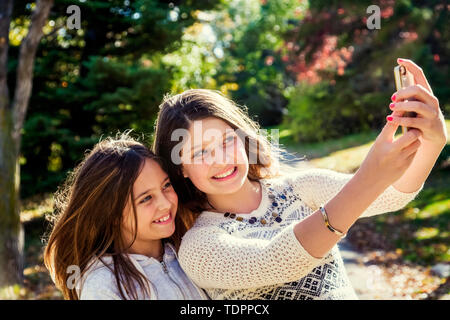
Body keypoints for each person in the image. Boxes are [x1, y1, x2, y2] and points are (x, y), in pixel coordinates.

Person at [152, 58, 447, 300]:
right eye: (201, 152)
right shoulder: (198, 247)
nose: (220, 159)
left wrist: (433, 141)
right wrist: (366, 178)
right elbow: (279, 259)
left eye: (227, 141)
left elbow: (392, 194)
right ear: (180, 168)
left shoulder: (299, 188)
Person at [44, 133, 209, 300]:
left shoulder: (191, 248)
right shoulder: (103, 287)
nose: (165, 204)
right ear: (112, 213)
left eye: (166, 185)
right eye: (146, 198)